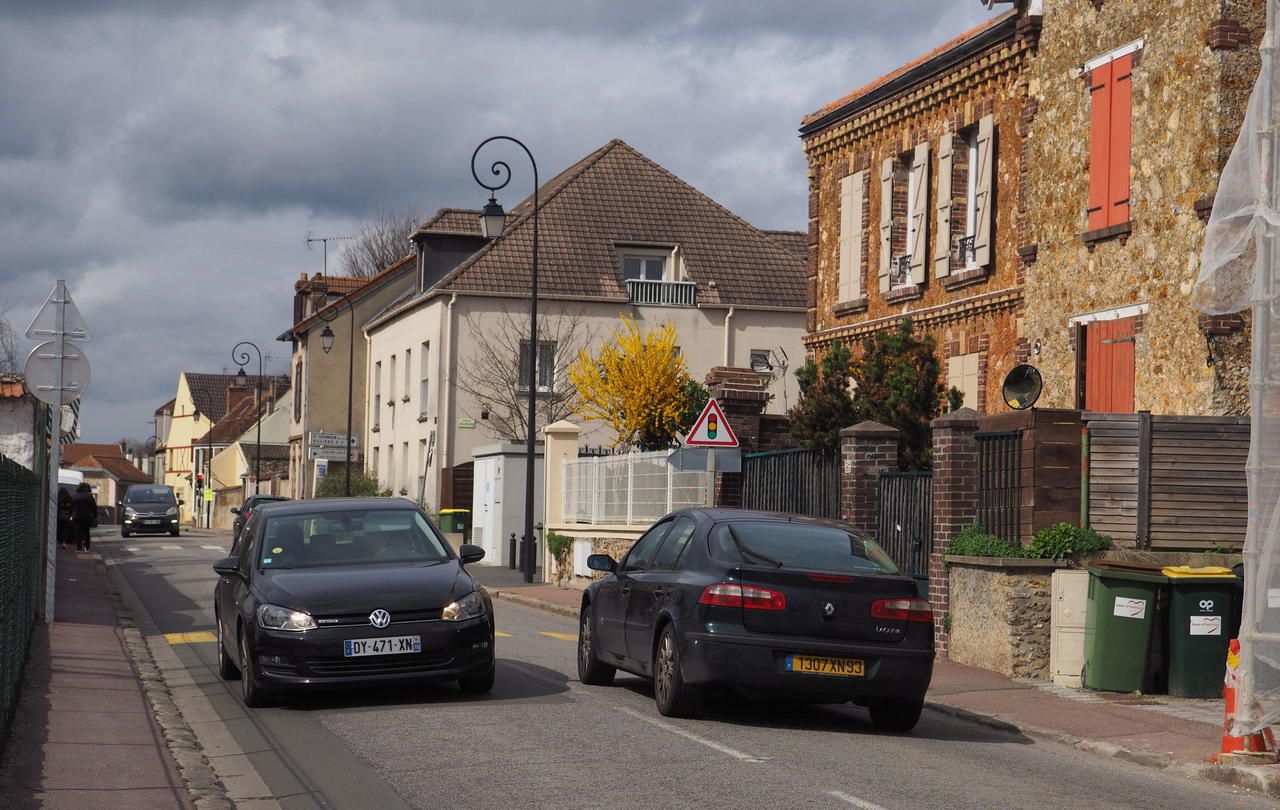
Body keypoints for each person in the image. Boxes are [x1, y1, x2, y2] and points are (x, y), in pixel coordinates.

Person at [69, 482, 97, 552]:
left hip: (77, 517)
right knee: (86, 531)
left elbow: (71, 507)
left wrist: (70, 515)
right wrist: (95, 515)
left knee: (78, 532)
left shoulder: (74, 496)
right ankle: (87, 547)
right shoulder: (90, 496)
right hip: (87, 517)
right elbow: (94, 507)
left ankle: (79, 548)